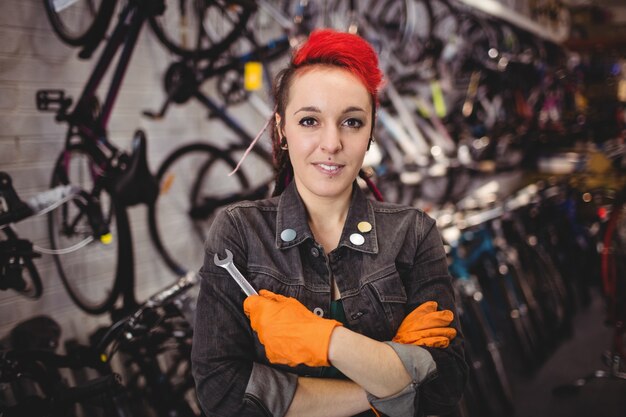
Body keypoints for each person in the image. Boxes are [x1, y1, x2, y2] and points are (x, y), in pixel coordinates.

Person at [191, 29, 468, 417]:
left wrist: (323, 340)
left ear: (371, 131)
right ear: (282, 129)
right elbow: (221, 393)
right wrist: (392, 380)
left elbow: (446, 385)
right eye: (309, 121)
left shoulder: (414, 233)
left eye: (352, 122)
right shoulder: (240, 233)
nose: (332, 143)